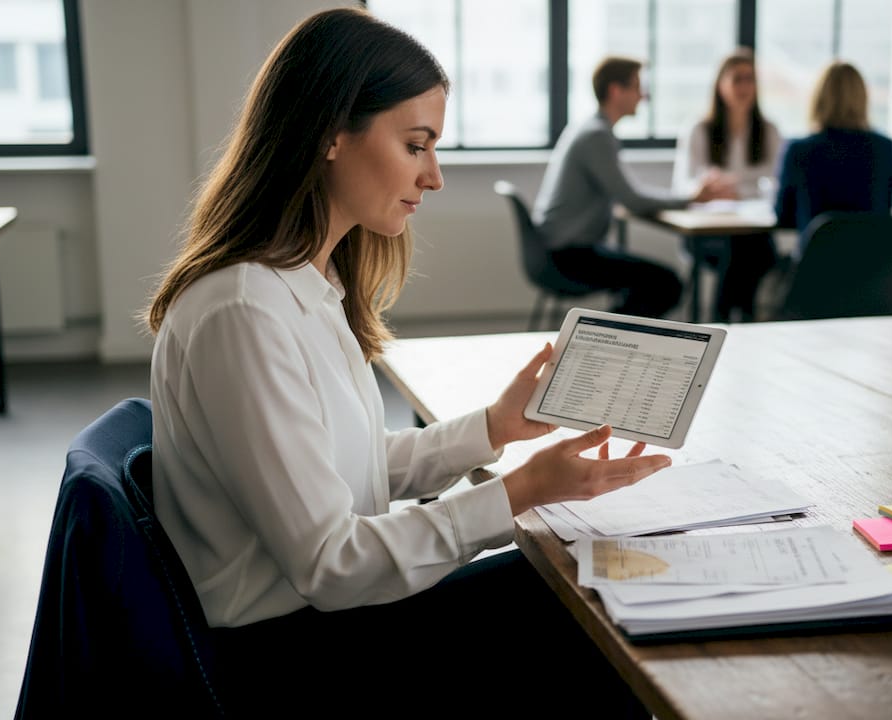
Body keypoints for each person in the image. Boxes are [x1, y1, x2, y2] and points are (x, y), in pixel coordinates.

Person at [144, 9, 666, 718]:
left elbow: (347, 468)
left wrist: (494, 429)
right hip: (288, 658)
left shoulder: (300, 286)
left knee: (581, 588)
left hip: (316, 626)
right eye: (416, 145)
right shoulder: (244, 311)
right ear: (331, 132)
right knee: (584, 607)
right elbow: (331, 564)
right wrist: (517, 495)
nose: (436, 176)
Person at [533, 55, 734, 319]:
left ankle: (611, 333)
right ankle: (606, 336)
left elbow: (627, 194)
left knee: (651, 281)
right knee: (666, 284)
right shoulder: (596, 136)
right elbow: (632, 199)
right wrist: (692, 197)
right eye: (638, 87)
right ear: (616, 91)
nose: (643, 96)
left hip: (560, 249)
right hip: (569, 257)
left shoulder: (590, 129)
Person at [672, 50, 782, 322]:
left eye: (750, 79)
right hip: (707, 234)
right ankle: (736, 321)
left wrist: (738, 191)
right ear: (720, 85)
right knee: (736, 251)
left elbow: (775, 184)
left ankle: (728, 323)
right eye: (737, 79)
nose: (745, 87)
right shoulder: (699, 129)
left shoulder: (769, 131)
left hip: (753, 233)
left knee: (752, 250)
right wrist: (706, 189)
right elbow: (683, 185)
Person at [774, 61, 892, 253]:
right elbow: (886, 206)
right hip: (876, 270)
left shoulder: (799, 150)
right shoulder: (884, 148)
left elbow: (782, 215)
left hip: (817, 267)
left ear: (818, 99)